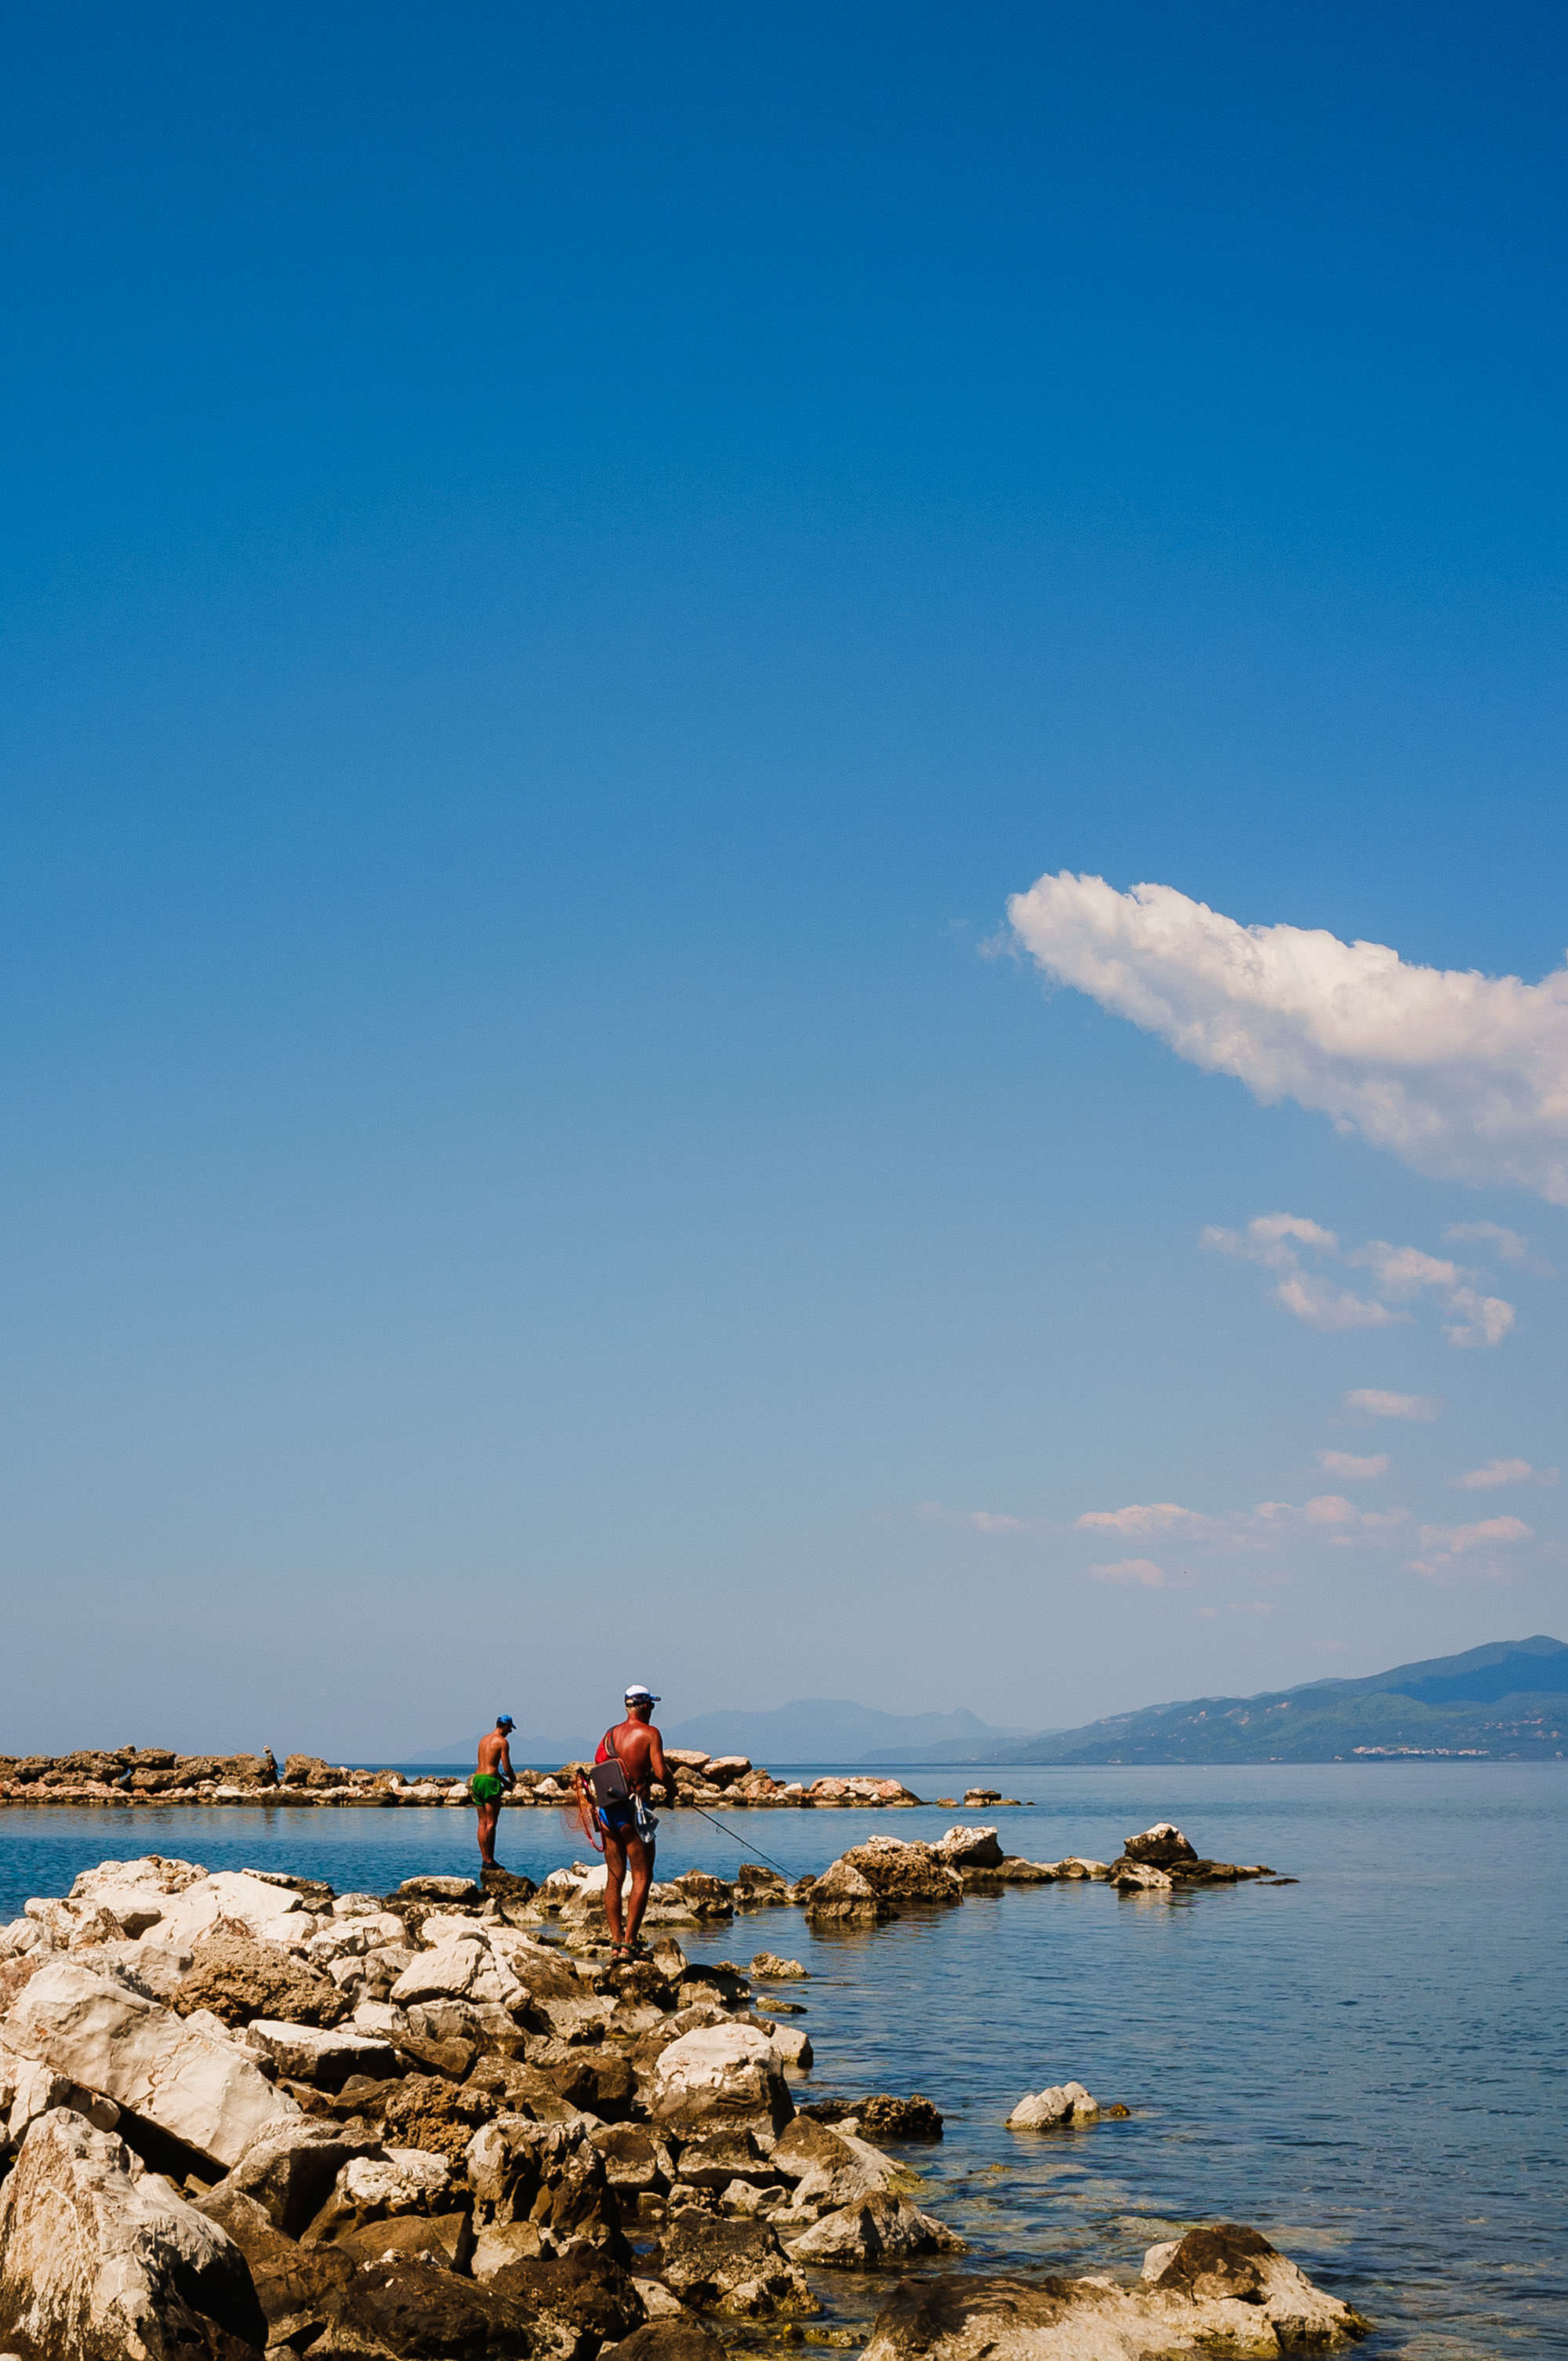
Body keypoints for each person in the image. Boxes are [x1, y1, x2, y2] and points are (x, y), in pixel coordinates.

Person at [587, 1685, 668, 1960]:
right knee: (642, 1876)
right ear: (644, 1706)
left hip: (608, 1813)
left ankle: (615, 1941)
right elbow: (660, 1771)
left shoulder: (609, 1734)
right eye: (652, 1706)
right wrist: (673, 1787)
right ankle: (629, 1944)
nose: (653, 1711)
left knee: (614, 1877)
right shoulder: (650, 1734)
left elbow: (599, 1769)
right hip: (634, 1812)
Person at [470, 1716, 517, 1869]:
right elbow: (506, 1768)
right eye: (510, 1728)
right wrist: (512, 1781)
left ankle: (485, 1859)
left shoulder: (483, 1740)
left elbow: (488, 1767)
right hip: (490, 1782)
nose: (510, 1731)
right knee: (491, 1822)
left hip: (477, 1779)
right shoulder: (502, 1742)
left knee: (482, 1822)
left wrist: (504, 1783)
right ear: (504, 1726)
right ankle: (490, 1860)